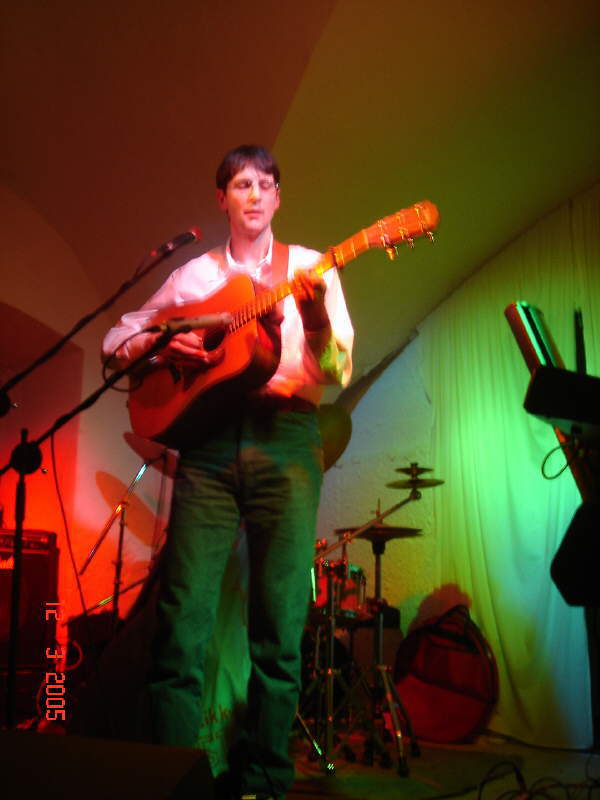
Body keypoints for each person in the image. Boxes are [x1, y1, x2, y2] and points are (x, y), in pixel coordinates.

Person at [102, 145, 354, 800]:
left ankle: (264, 782)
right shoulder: (196, 276)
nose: (255, 194)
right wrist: (165, 340)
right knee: (181, 619)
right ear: (223, 198)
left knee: (279, 622)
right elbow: (117, 339)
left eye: (267, 184)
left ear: (279, 197)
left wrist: (315, 316)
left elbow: (336, 370)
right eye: (242, 184)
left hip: (287, 436)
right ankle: (172, 780)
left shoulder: (310, 267)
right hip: (210, 441)